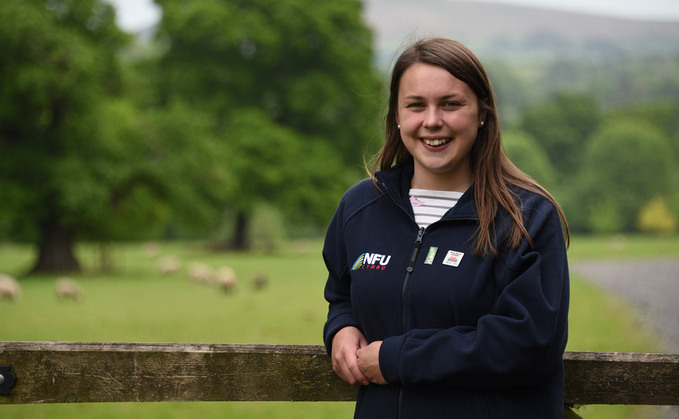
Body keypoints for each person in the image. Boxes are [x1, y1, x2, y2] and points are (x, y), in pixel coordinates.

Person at [322, 37, 570, 418]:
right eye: (416, 105)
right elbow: (342, 294)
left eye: (451, 104)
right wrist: (341, 328)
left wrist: (397, 358)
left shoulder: (528, 218)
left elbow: (528, 344)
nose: (432, 120)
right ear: (397, 116)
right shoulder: (360, 208)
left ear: (482, 112)